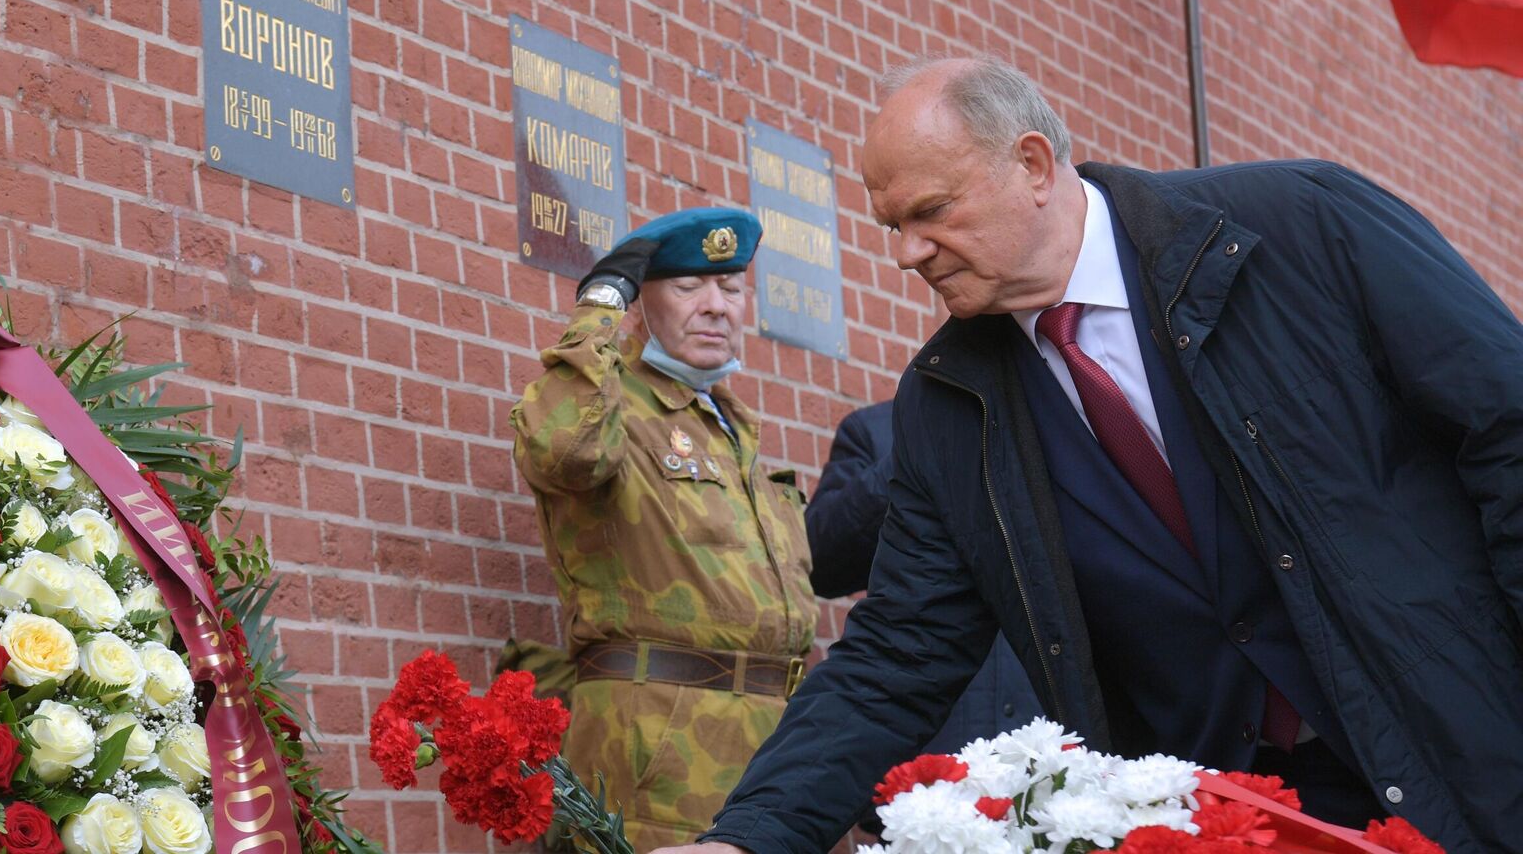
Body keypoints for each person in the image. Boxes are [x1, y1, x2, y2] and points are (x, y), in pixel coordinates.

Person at [655, 55, 1523, 854]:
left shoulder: (1302, 229)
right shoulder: (949, 404)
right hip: (1223, 819)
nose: (908, 253)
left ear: (1032, 165)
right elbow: (899, 653)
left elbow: (1508, 429)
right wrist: (749, 835)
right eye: (893, 224)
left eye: (931, 212)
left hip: (1468, 762)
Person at [511, 207, 817, 851]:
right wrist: (598, 309)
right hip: (657, 744)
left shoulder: (732, 424)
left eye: (730, 289)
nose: (716, 307)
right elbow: (564, 452)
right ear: (641, 303)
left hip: (771, 746)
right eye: (688, 288)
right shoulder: (610, 402)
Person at [806, 399, 1039, 755]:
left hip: (1051, 746)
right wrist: (915, 453)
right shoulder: (874, 429)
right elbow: (821, 562)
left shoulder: (1065, 421)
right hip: (924, 740)